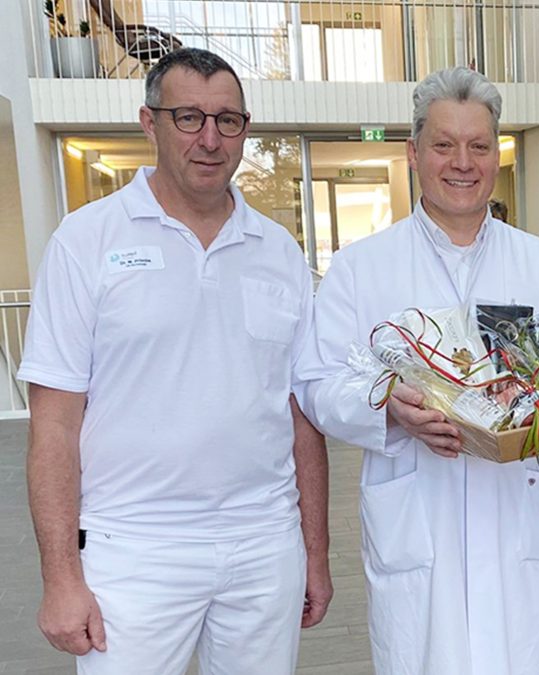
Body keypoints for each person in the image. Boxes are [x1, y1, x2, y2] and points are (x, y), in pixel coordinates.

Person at [298, 67, 539, 675]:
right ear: (413, 152)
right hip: (415, 522)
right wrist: (385, 403)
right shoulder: (362, 267)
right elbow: (317, 384)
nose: (462, 161)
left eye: (479, 145)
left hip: (515, 518)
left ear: (495, 152)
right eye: (444, 144)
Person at [19, 48, 332, 674]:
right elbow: (52, 426)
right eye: (188, 117)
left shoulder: (278, 251)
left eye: (228, 120)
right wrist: (61, 577)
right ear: (149, 123)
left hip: (264, 546)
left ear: (246, 128)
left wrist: (314, 554)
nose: (210, 139)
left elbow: (302, 414)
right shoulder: (86, 243)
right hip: (132, 551)